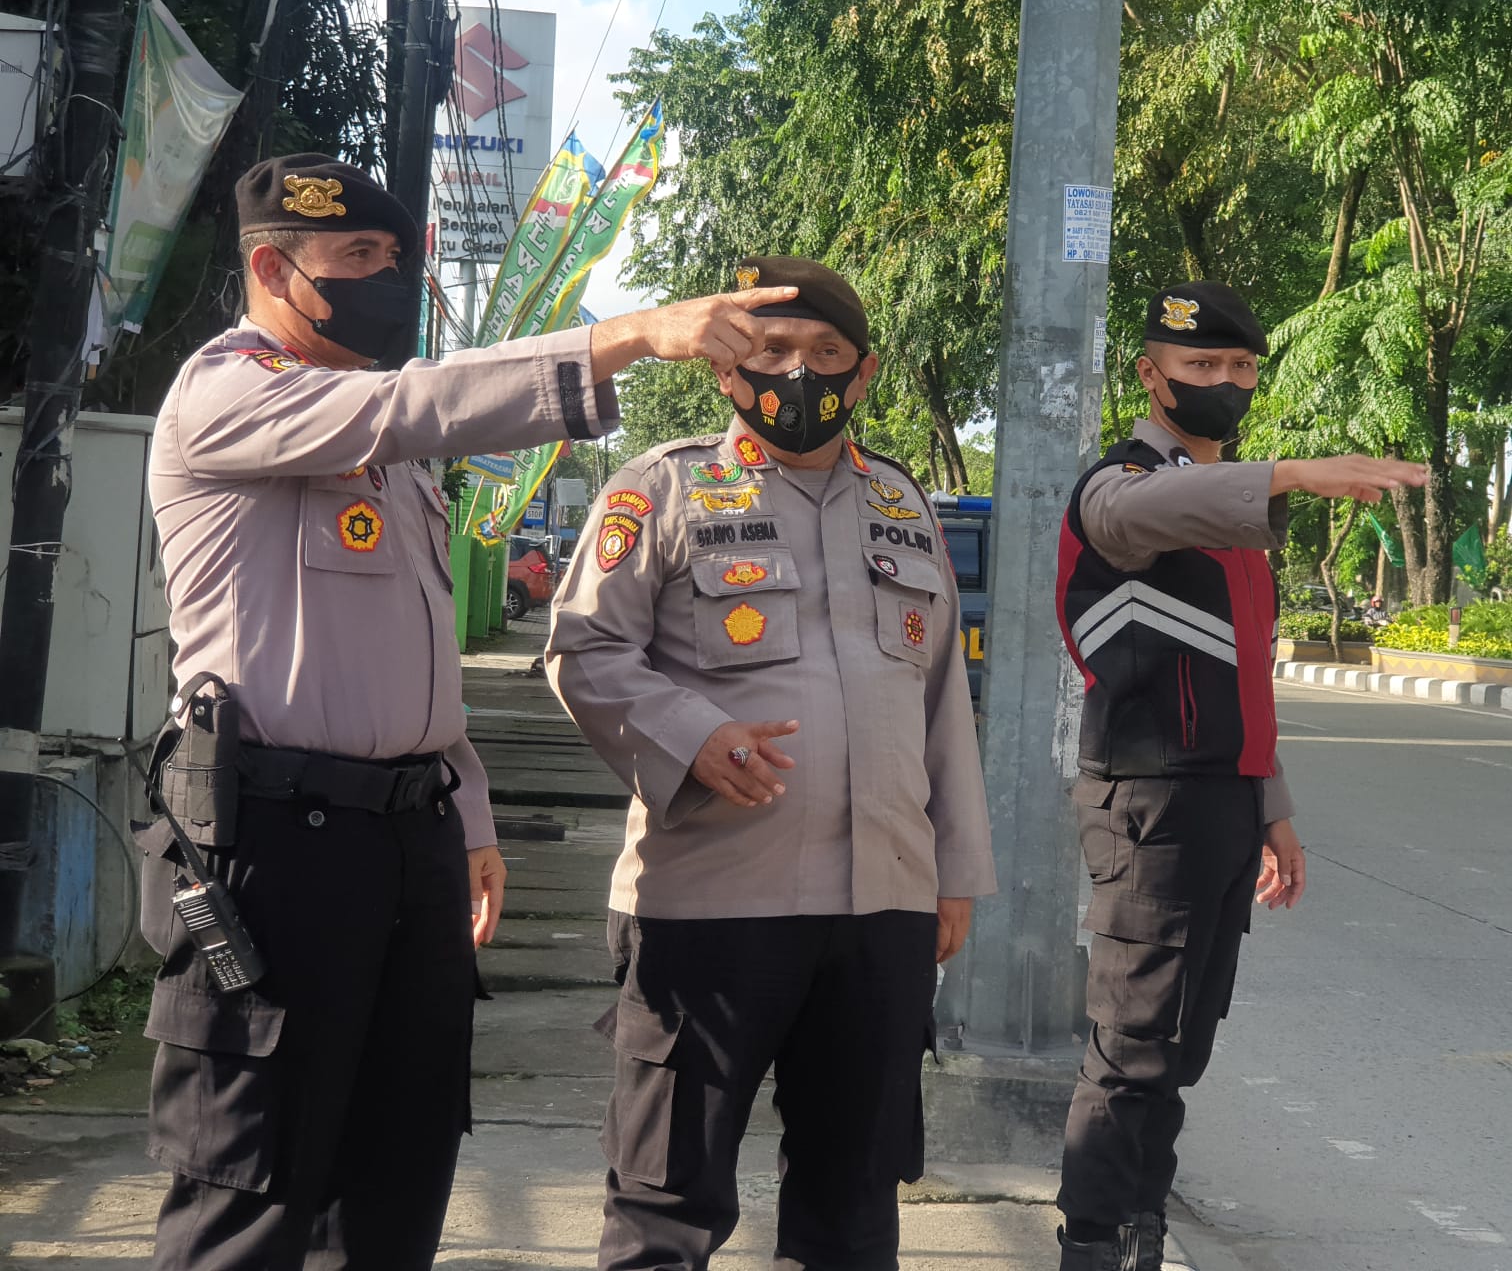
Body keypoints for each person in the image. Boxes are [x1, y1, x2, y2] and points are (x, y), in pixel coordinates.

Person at [140, 153, 800, 1271]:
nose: (384, 278)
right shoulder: (227, 395)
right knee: (249, 1189)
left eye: (396, 259)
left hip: (408, 845)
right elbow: (414, 404)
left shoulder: (387, 464)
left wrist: (472, 817)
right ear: (270, 268)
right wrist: (627, 335)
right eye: (356, 257)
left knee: (398, 1175)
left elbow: (416, 669)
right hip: (273, 854)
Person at [545, 256, 996, 1271]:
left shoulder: (903, 504)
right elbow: (584, 650)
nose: (800, 372)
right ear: (725, 367)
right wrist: (690, 736)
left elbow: (942, 709)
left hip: (881, 910)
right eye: (773, 349)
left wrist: (952, 875)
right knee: (667, 1207)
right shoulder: (658, 488)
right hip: (710, 905)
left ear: (865, 373)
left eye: (826, 354)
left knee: (853, 1205)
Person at [1052, 281, 1429, 1271]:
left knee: (1179, 1046)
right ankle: (1092, 1243)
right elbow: (1143, 509)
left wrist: (1275, 810)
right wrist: (1291, 472)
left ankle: (1141, 1231)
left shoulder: (1235, 517)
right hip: (1147, 798)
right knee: (1132, 1046)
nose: (1225, 382)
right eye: (1201, 366)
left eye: (1241, 368)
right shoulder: (1119, 486)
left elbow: (1243, 680)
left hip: (1221, 796)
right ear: (1151, 374)